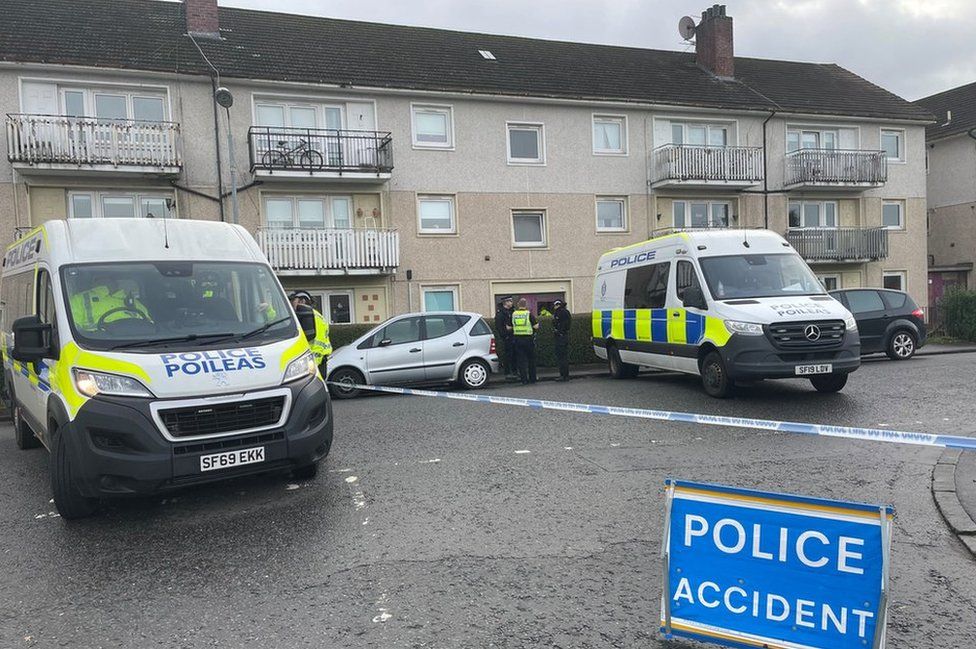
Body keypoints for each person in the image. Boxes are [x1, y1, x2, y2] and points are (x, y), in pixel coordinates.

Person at [69, 276, 150, 331]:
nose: (105, 280)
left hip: (135, 342)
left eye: (109, 278)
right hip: (95, 345)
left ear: (115, 282)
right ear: (93, 282)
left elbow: (149, 326)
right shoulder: (79, 299)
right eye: (100, 277)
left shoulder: (131, 301)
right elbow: (71, 330)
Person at [289, 291, 332, 376]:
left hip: (309, 362)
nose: (290, 303)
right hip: (321, 361)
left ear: (302, 301)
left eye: (293, 300)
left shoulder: (304, 315)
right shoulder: (319, 316)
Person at [507, 297, 539, 384]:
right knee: (531, 359)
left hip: (517, 339)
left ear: (518, 305)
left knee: (521, 360)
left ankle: (523, 380)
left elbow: (508, 327)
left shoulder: (514, 314)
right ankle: (532, 379)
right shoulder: (528, 314)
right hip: (528, 339)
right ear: (526, 305)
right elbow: (536, 326)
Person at [494, 295, 517, 378]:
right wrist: (504, 336)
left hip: (514, 336)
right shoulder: (501, 313)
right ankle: (508, 372)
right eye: (510, 301)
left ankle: (515, 371)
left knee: (515, 354)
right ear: (506, 302)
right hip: (507, 337)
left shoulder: (512, 311)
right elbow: (499, 326)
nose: (511, 303)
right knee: (508, 355)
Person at [552, 299, 572, 381]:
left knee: (561, 357)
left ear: (558, 305)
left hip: (560, 337)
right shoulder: (566, 312)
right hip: (564, 336)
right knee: (564, 356)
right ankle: (565, 375)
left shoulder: (560, 312)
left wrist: (559, 331)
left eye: (555, 305)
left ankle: (563, 375)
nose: (554, 307)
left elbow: (560, 324)